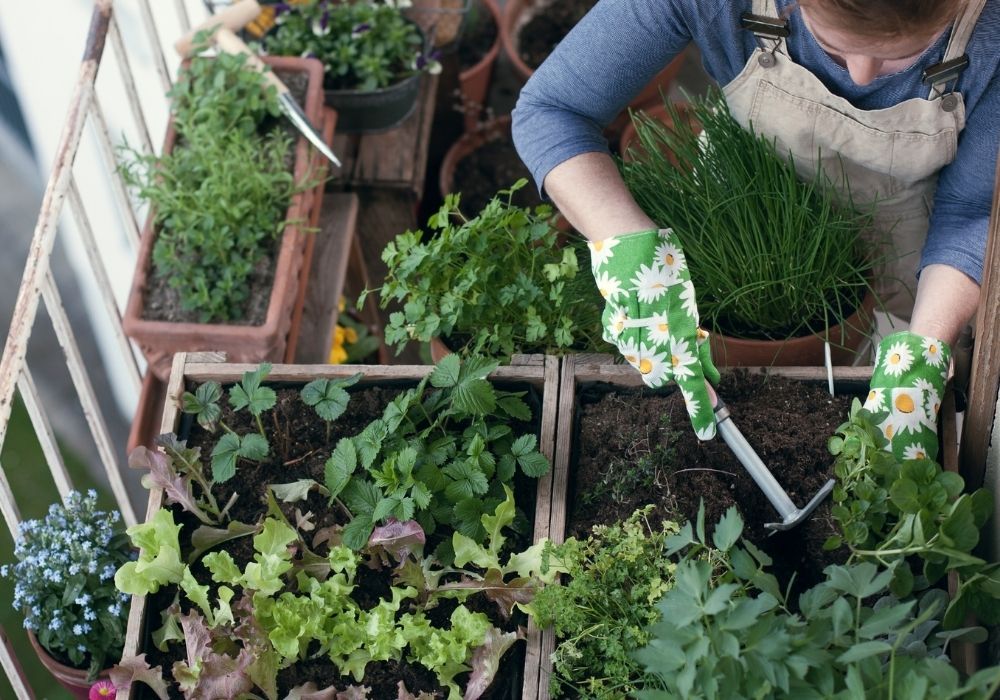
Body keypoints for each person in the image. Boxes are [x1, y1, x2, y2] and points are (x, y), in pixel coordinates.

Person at [512, 0, 999, 462]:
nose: (859, 74)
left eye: (904, 56)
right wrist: (625, 240)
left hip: (911, 238)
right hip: (744, 212)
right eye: (831, 45)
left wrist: (926, 343)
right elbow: (552, 109)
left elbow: (972, 208)